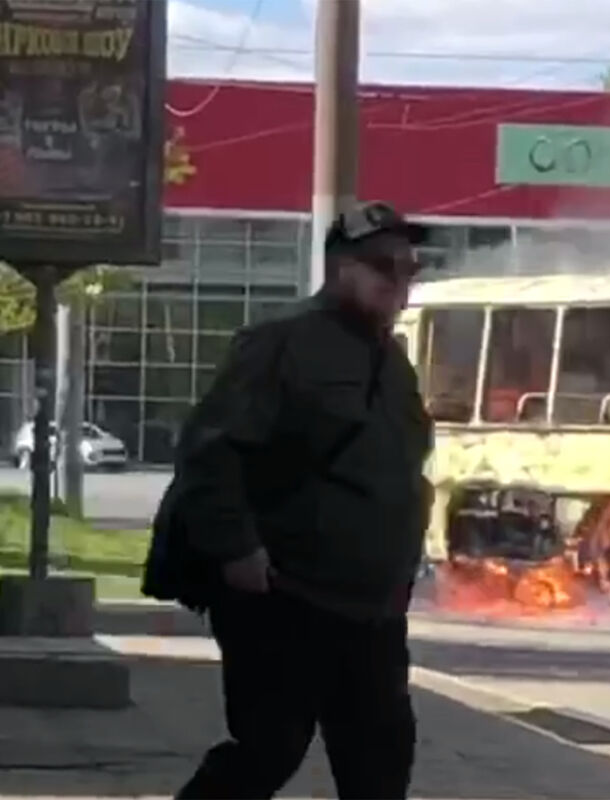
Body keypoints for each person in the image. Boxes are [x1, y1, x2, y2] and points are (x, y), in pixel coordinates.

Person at [144, 201, 434, 799]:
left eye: (410, 269)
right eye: (383, 266)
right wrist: (237, 549)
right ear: (340, 268)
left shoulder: (393, 363)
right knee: (269, 747)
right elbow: (212, 454)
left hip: (370, 606)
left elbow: (400, 469)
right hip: (284, 595)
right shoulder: (281, 342)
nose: (398, 283)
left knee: (381, 757)